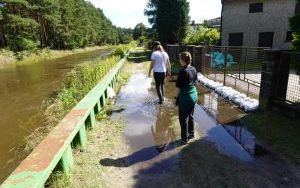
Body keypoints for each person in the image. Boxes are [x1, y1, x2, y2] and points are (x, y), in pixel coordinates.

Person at [175, 52, 198, 145]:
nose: (179, 60)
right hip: (193, 96)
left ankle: (184, 138)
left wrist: (176, 98)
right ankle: (191, 134)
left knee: (183, 118)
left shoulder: (182, 71)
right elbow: (195, 82)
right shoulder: (193, 69)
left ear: (182, 60)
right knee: (191, 116)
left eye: (180, 59)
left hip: (185, 98)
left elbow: (178, 88)